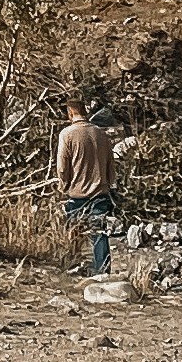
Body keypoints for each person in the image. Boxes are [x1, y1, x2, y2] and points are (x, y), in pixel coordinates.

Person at [55, 96, 116, 274]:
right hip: (100, 192)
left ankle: (71, 266)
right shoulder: (101, 133)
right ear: (85, 111)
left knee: (72, 234)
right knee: (99, 233)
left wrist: (63, 185)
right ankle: (103, 271)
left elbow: (62, 166)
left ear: (70, 112)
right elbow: (110, 165)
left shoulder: (67, 134)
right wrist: (110, 185)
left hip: (77, 194)